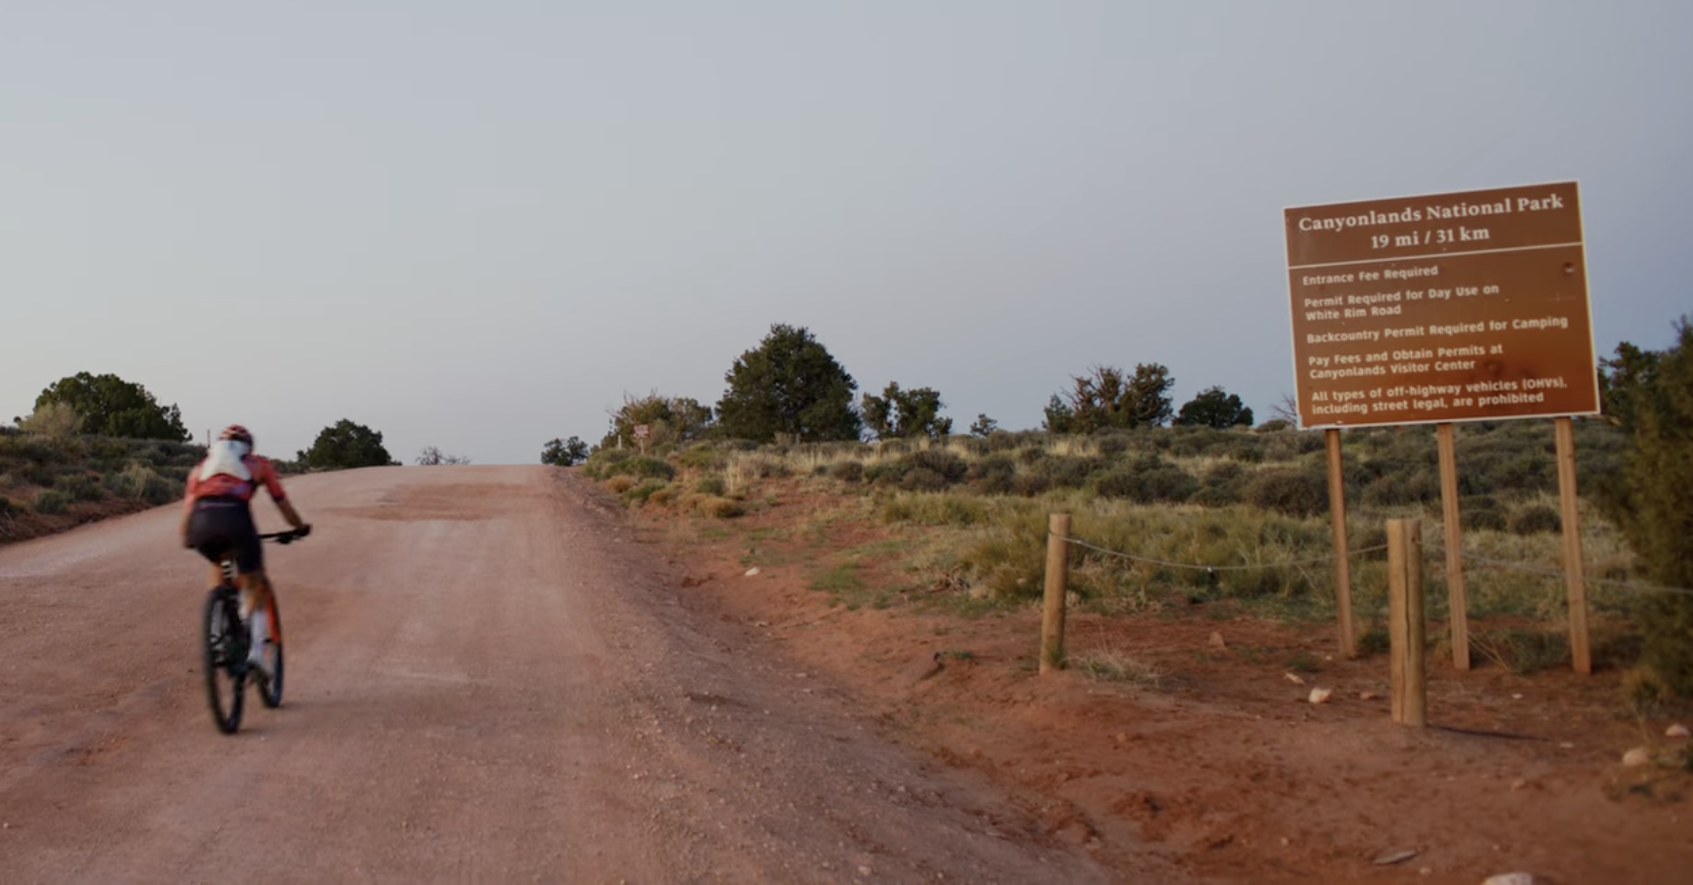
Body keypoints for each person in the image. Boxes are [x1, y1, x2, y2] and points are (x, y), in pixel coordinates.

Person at [181, 424, 310, 676]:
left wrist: (187, 539)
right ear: (248, 446)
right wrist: (299, 526)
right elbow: (281, 503)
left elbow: (187, 511)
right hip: (236, 522)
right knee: (254, 582)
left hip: (201, 525)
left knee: (218, 566)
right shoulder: (258, 464)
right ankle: (257, 652)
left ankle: (217, 635)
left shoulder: (200, 469)